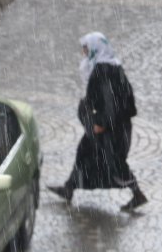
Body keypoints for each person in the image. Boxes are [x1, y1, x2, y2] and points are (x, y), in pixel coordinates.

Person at [49, 32, 149, 212]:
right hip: (111, 125)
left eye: (86, 48)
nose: (84, 52)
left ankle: (137, 194)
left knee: (114, 163)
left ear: (95, 48)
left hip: (110, 128)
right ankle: (69, 188)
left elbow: (109, 100)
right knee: (85, 153)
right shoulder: (111, 66)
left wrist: (101, 122)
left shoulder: (103, 70)